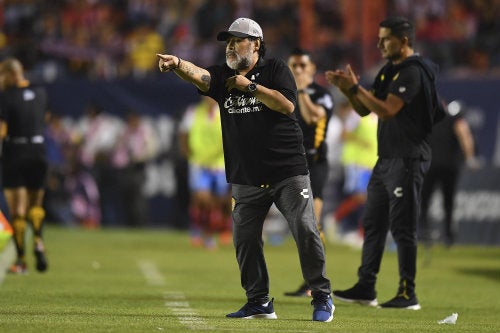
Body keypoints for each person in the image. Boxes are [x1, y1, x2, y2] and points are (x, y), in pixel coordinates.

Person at [157, 17, 334, 322]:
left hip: (287, 171)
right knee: (244, 240)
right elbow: (200, 76)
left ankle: (321, 296)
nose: (230, 46)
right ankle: (259, 301)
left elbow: (287, 106)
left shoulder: (275, 69)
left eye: (237, 40)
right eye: (228, 41)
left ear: (255, 44)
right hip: (246, 177)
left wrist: (250, 86)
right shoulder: (224, 75)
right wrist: (177, 63)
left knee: (305, 230)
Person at [325, 16, 445, 310]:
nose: (379, 44)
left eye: (385, 39)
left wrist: (356, 89)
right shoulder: (389, 70)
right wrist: (348, 90)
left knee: (403, 227)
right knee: (373, 223)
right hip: (386, 158)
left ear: (404, 41)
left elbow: (388, 110)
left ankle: (408, 293)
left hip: (408, 158)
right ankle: (366, 287)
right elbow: (366, 111)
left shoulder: (412, 73)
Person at [284, 48, 334, 297]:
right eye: (294, 66)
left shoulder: (322, 95)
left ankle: (317, 283)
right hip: (292, 163)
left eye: (303, 66)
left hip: (315, 163)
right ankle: (311, 281)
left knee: (311, 223)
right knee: (301, 225)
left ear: (313, 69)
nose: (299, 70)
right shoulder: (284, 93)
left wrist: (302, 91)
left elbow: (314, 117)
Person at [0, 58, 50, 274]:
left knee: (18, 210)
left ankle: (20, 261)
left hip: (16, 151)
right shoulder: (40, 94)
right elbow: (44, 118)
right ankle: (38, 241)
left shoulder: (5, 97)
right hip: (38, 151)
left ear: (10, 75)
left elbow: (2, 130)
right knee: (36, 205)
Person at [419, 100, 479, 247]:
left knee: (424, 201)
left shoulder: (427, 120)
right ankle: (448, 236)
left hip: (431, 165)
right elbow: (464, 135)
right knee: (448, 202)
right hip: (449, 166)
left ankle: (423, 233)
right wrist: (470, 158)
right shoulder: (454, 119)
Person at [178, 95, 232, 249]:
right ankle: (201, 231)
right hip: (199, 163)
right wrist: (187, 152)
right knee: (201, 198)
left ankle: (223, 228)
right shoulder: (193, 112)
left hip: (220, 164)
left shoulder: (224, 112)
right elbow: (183, 133)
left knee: (221, 200)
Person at [332, 100, 378, 247]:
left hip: (371, 163)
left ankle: (338, 221)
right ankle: (338, 221)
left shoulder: (376, 117)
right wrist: (361, 141)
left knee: (368, 198)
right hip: (357, 163)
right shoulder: (357, 115)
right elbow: (344, 134)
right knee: (361, 197)